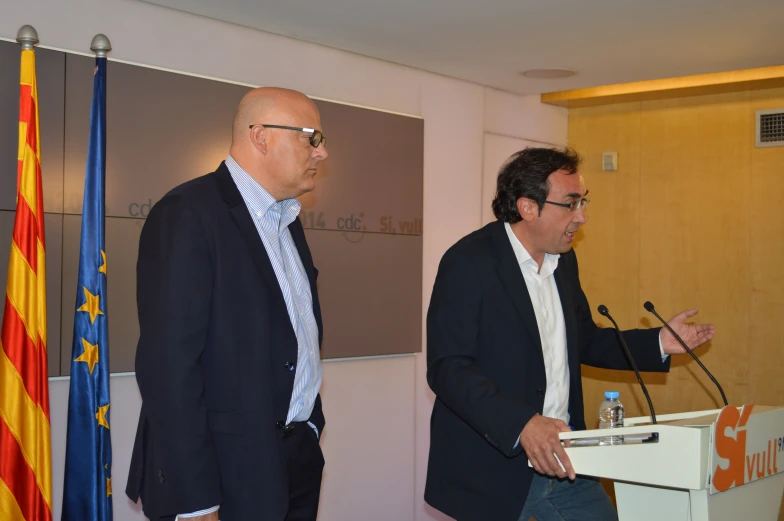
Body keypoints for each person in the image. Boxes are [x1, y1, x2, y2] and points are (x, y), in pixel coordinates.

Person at [424, 147, 715, 521]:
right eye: (571, 204)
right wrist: (522, 423)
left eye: (584, 201)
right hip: (492, 467)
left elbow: (585, 339)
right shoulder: (469, 262)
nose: (582, 217)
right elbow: (448, 368)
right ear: (529, 207)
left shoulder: (564, 261)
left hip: (565, 460)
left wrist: (659, 342)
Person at [126, 87, 329, 521]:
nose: (322, 152)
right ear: (261, 136)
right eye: (311, 137)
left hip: (293, 461)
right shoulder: (187, 213)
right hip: (222, 472)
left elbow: (296, 334)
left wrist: (308, 426)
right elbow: (169, 367)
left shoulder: (287, 220)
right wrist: (197, 502)